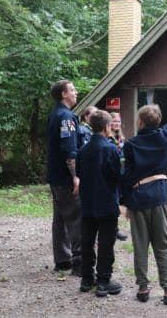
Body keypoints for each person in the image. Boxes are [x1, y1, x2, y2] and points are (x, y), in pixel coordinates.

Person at [121, 74, 167, 305]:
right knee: (162, 245)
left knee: (140, 245)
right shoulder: (165, 136)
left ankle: (143, 290)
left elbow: (126, 176)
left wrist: (126, 200)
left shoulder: (130, 145)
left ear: (140, 122)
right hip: (159, 196)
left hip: (138, 198)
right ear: (158, 121)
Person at [76, 110, 123, 297]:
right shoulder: (111, 149)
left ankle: (86, 279)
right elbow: (116, 176)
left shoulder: (83, 150)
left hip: (87, 203)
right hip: (107, 204)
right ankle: (103, 281)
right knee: (106, 243)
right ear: (106, 127)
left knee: (87, 242)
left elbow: (78, 172)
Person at [46, 80, 82, 276]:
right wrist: (75, 176)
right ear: (63, 94)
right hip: (65, 178)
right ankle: (79, 263)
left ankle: (63, 260)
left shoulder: (54, 114)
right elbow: (69, 150)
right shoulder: (66, 117)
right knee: (77, 218)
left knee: (60, 219)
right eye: (72, 90)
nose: (76, 92)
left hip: (55, 177)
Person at [108, 112, 128, 242]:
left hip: (120, 174)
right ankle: (110, 230)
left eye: (118, 121)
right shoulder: (107, 138)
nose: (116, 123)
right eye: (114, 121)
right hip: (110, 175)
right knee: (111, 203)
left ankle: (114, 230)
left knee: (116, 203)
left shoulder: (121, 137)